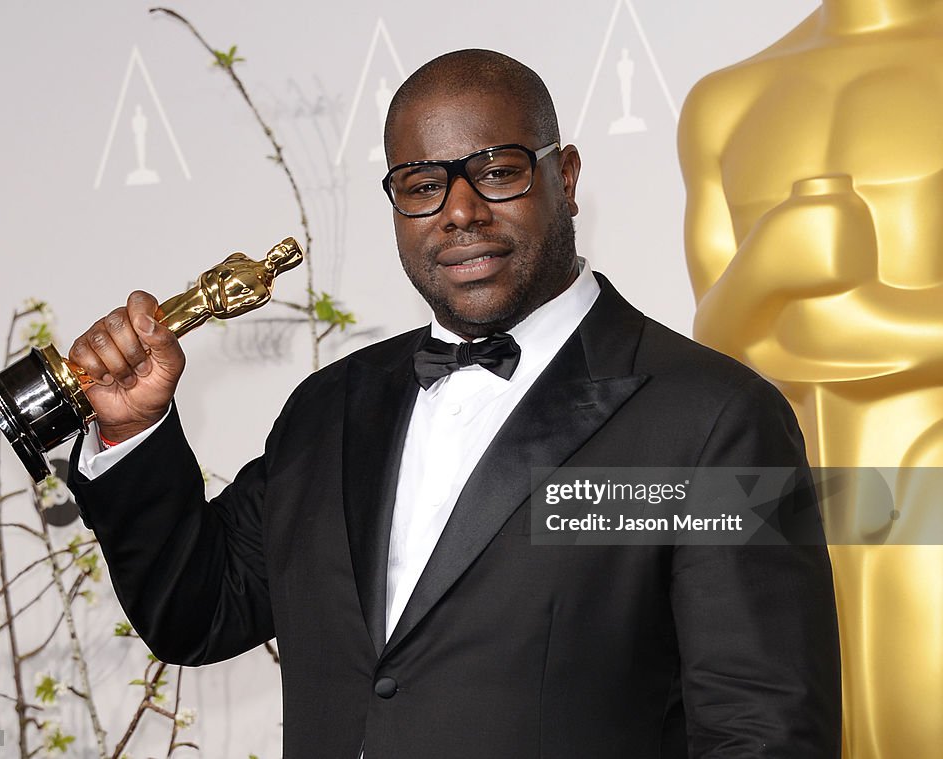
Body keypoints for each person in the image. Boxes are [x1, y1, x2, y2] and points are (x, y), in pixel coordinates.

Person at [67, 49, 840, 758]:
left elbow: (763, 730)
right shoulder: (328, 409)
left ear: (564, 178)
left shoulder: (713, 418)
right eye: (424, 185)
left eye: (497, 170)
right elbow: (196, 612)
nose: (460, 211)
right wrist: (134, 430)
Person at [678, 1, 943, 754]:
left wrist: (857, 319)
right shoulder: (723, 101)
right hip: (785, 511)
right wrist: (765, 269)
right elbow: (716, 344)